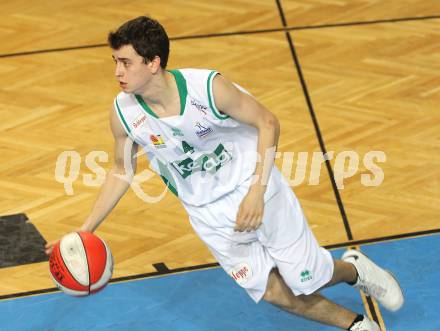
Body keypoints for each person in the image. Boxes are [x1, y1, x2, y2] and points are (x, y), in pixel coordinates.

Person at [45, 16, 403, 331]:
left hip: (256, 187)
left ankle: (354, 269)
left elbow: (268, 122)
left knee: (310, 278)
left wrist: (256, 193)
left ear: (153, 63)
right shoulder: (123, 114)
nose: (117, 72)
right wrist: (85, 230)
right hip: (208, 213)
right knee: (274, 292)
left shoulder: (208, 89)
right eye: (115, 62)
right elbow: (123, 169)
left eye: (125, 62)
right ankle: (357, 325)